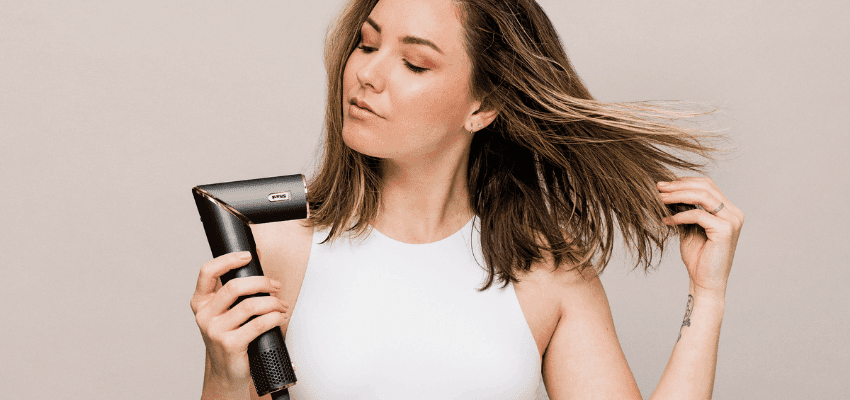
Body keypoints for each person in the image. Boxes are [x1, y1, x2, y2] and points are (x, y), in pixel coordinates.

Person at [190, 0, 744, 398]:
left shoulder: (548, 274)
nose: (367, 75)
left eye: (414, 63)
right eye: (366, 42)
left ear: (482, 106)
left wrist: (708, 295)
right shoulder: (276, 251)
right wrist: (224, 377)